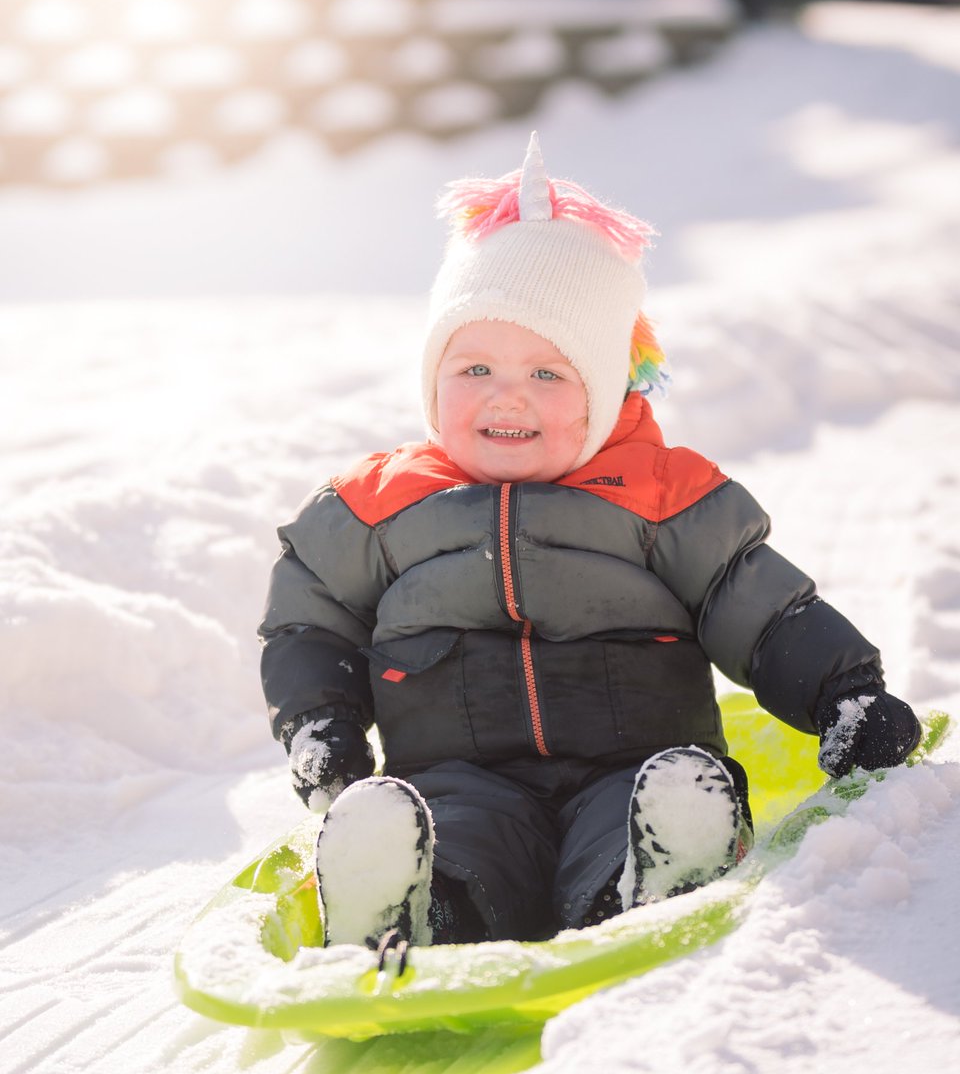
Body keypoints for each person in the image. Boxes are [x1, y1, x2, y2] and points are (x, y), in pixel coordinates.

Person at [258, 133, 920, 955]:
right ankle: (413, 904)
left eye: (548, 374)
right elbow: (309, 622)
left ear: (606, 392)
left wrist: (843, 695)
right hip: (457, 776)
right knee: (455, 834)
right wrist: (321, 722)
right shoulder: (375, 507)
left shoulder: (662, 493)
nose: (507, 395)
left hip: (634, 767)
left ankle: (658, 875)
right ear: (431, 381)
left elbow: (761, 607)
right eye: (473, 370)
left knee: (641, 811)